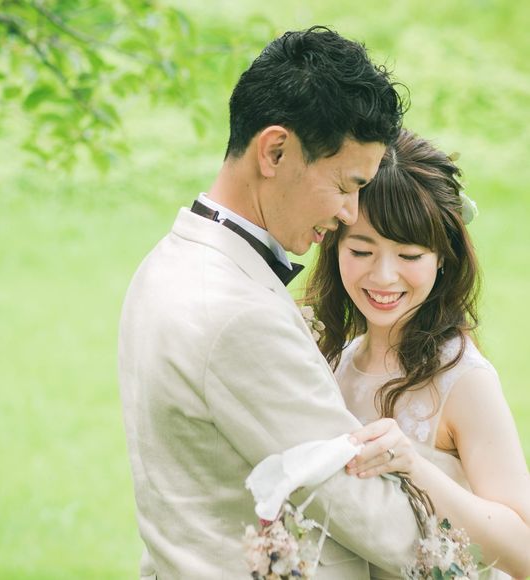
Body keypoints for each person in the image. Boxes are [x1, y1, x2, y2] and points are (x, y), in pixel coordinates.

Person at [118, 26, 423, 580]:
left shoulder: (166, 261)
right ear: (275, 151)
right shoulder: (237, 314)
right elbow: (371, 520)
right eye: (347, 185)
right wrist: (475, 505)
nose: (352, 214)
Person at [306, 128, 530, 579]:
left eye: (409, 255)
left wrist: (413, 467)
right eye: (361, 250)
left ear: (442, 258)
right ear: (334, 247)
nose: (383, 276)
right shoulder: (332, 361)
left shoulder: (461, 378)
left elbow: (523, 550)